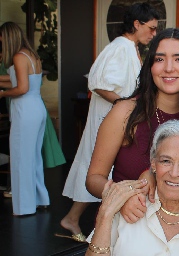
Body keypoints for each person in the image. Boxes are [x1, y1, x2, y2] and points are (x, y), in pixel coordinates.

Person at [59, 2, 159, 241]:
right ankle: (77, 220)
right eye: (152, 28)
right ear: (137, 24)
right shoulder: (120, 47)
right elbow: (98, 83)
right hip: (110, 121)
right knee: (98, 169)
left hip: (118, 119)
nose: (154, 34)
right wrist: (125, 106)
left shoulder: (130, 47)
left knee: (101, 169)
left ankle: (80, 219)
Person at [85, 27, 179, 223]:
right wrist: (122, 197)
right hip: (130, 225)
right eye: (159, 59)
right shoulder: (125, 112)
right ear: (150, 66)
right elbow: (94, 179)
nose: (169, 67)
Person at [85, 120, 179, 256]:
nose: (174, 173)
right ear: (153, 164)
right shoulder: (126, 206)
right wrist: (105, 214)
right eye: (166, 161)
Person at [0, 22, 49, 215]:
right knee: (33, 157)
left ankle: (24, 207)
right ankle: (39, 198)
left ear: (8, 38)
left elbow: (21, 88)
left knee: (21, 158)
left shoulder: (18, 57)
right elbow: (21, 80)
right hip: (37, 108)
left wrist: (2, 94)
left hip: (26, 110)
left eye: (2, 39)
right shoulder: (30, 55)